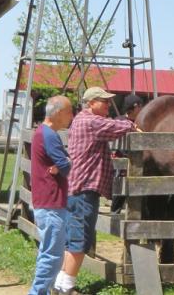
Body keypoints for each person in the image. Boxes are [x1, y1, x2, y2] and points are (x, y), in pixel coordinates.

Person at [52, 87, 138, 295]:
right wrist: (132, 124)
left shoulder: (82, 120)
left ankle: (60, 284)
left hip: (78, 189)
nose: (108, 104)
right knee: (79, 240)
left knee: (73, 238)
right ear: (90, 103)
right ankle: (66, 288)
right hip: (83, 189)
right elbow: (116, 127)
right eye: (104, 101)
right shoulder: (90, 122)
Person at [29, 96, 74, 295]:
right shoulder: (49, 135)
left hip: (46, 201)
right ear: (57, 113)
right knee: (53, 256)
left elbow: (61, 165)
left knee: (48, 252)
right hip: (51, 201)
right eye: (69, 111)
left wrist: (63, 163)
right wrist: (69, 161)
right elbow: (64, 166)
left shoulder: (43, 132)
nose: (72, 116)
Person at [110, 94, 144, 213]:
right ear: (135, 107)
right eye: (140, 106)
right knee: (120, 189)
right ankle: (115, 211)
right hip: (122, 159)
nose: (141, 109)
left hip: (137, 161)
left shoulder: (141, 122)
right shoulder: (120, 121)